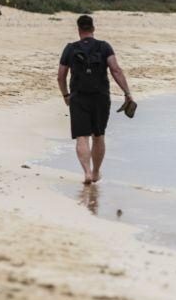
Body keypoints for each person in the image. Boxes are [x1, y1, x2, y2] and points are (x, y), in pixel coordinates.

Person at [57, 14, 135, 185]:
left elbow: (61, 76)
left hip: (78, 97)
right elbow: (115, 70)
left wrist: (66, 95)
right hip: (100, 97)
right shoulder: (104, 46)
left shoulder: (70, 49)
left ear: (79, 30)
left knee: (81, 137)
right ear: (93, 29)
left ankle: (86, 172)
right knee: (98, 136)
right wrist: (127, 92)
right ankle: (96, 172)